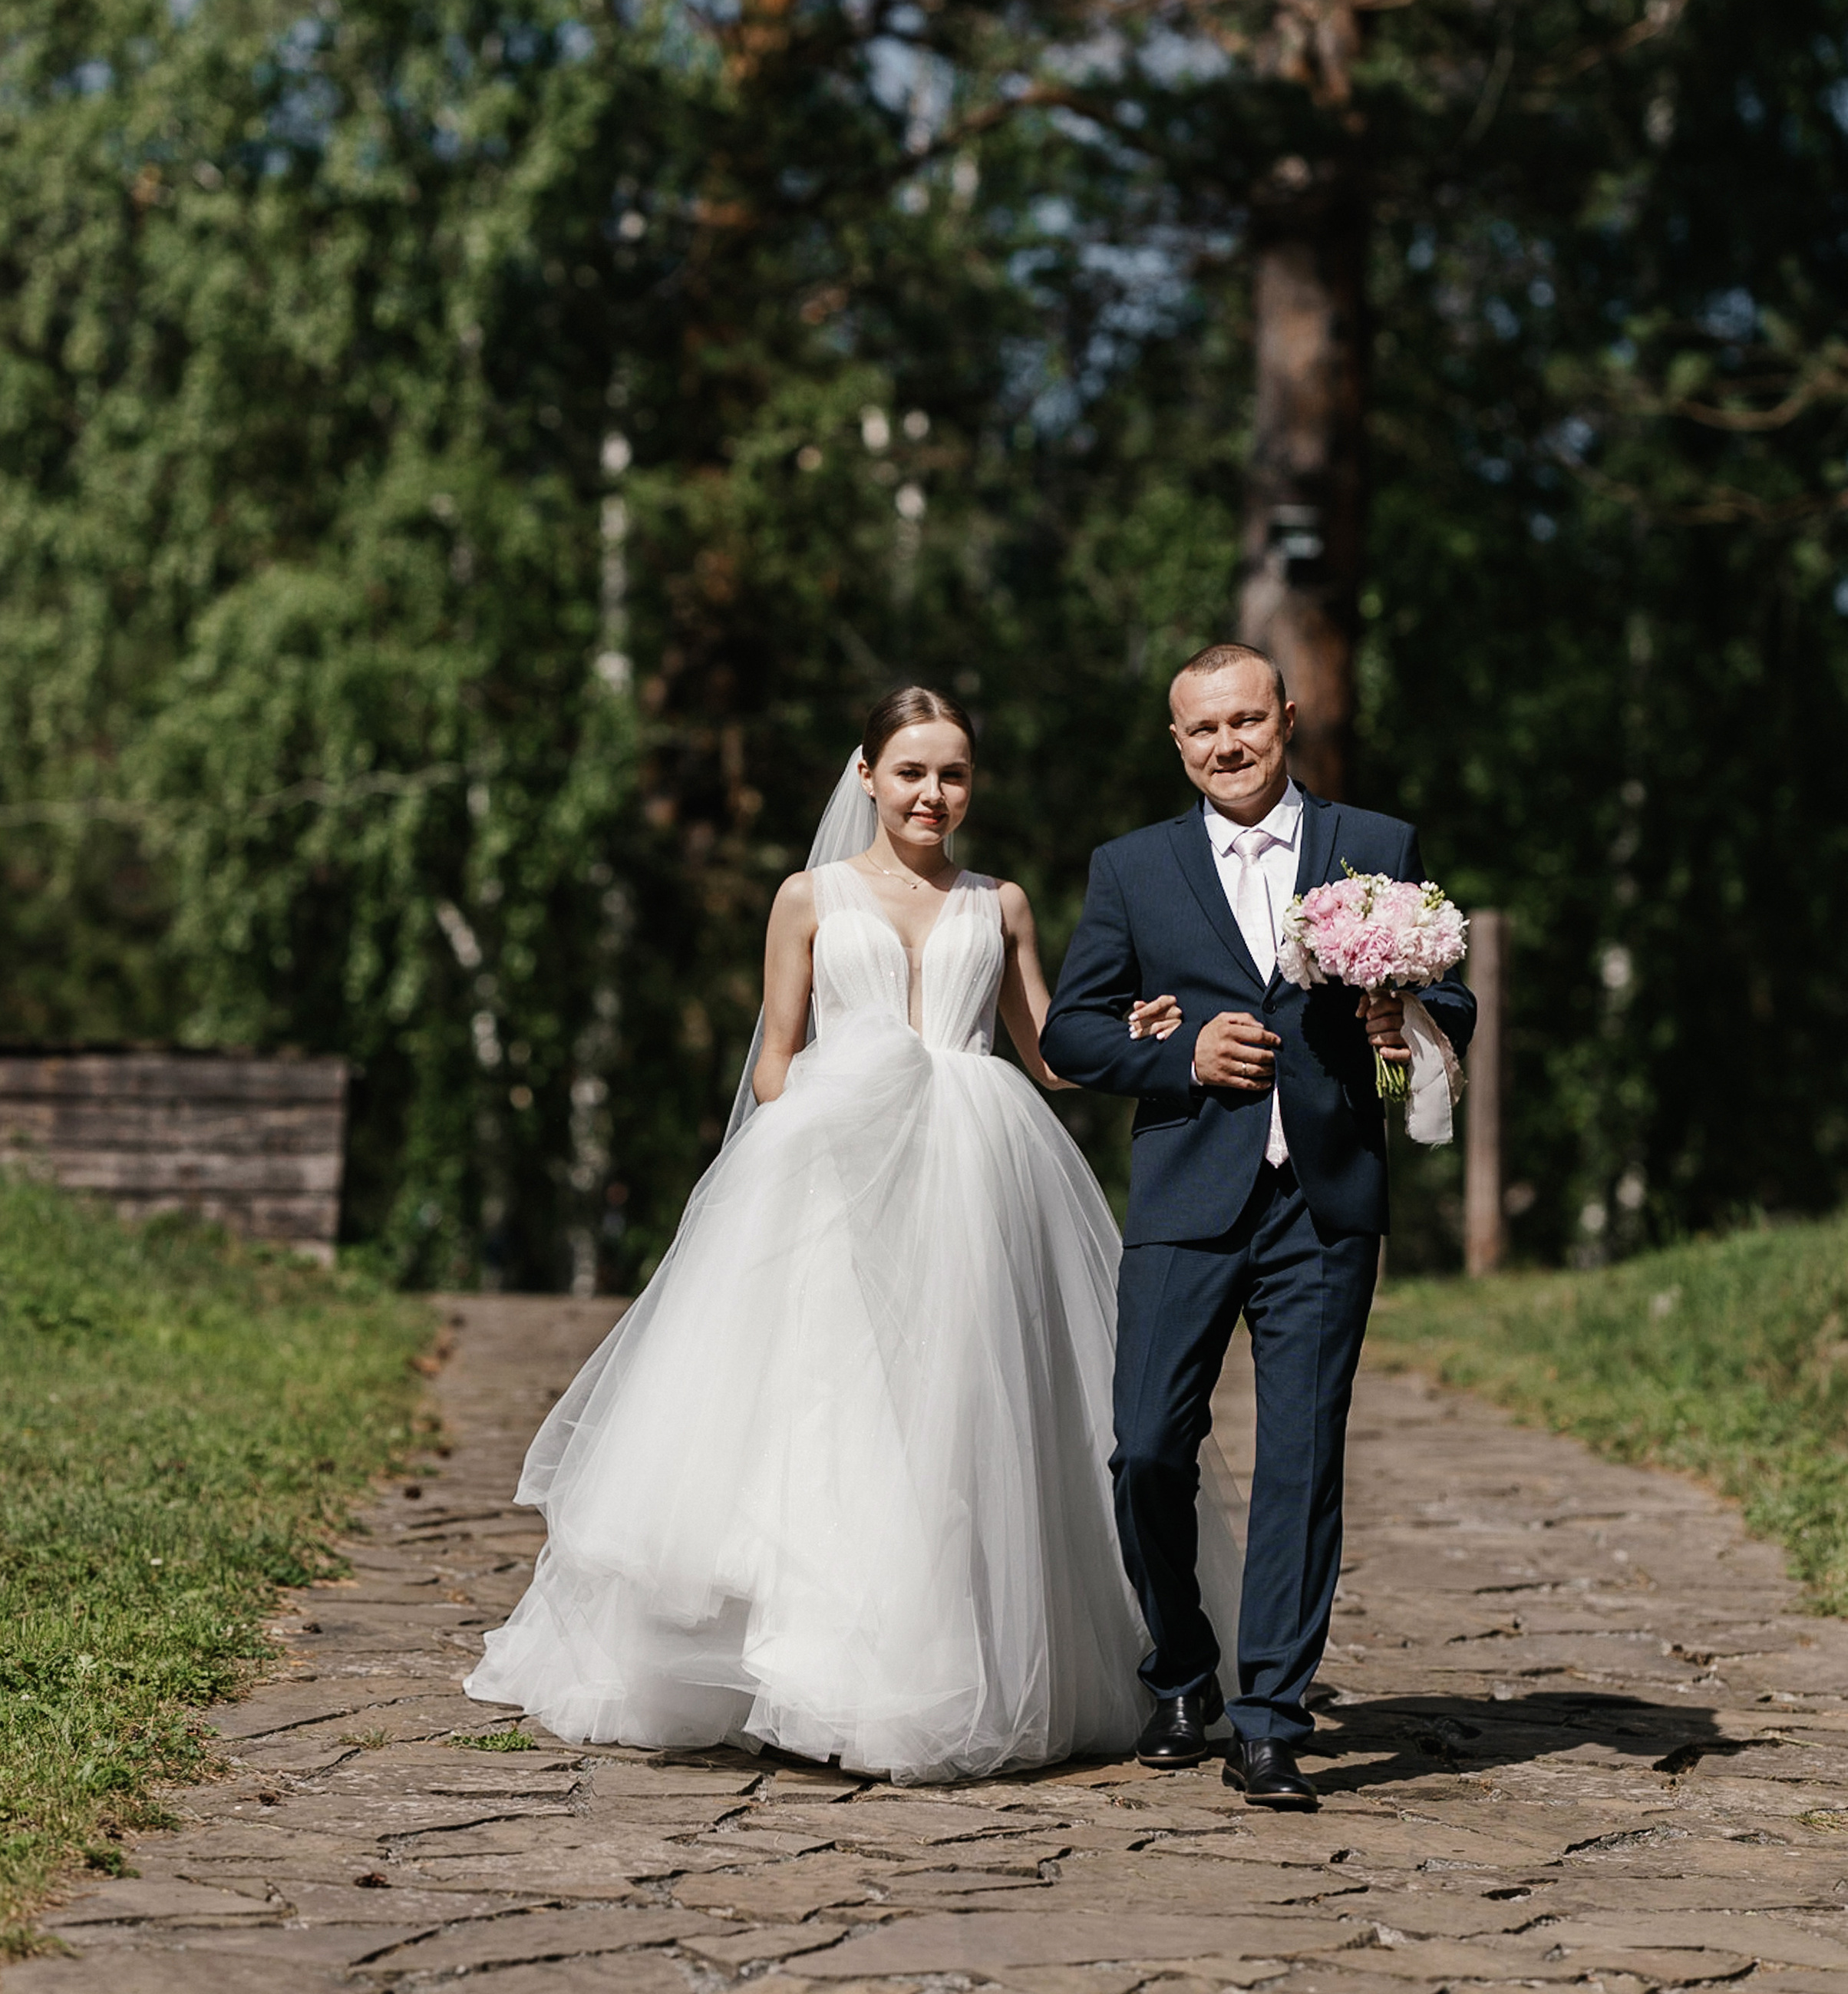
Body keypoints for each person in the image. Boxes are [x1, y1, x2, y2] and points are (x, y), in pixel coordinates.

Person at [467, 683, 1242, 1783]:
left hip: (984, 1175)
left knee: (967, 1410)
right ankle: (819, 1669)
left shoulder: (1002, 901)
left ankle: (967, 1659)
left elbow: (1052, 1052)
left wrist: (1140, 1032)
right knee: (837, 1412)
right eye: (915, 771)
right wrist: (842, 1109)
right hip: (840, 1172)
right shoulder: (809, 898)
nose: (936, 793)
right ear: (867, 774)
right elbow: (776, 1057)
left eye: (956, 773)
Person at [1041, 645, 1476, 1811]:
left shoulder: (1375, 848)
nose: (1228, 745)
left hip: (1328, 1204)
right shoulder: (1131, 869)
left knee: (1300, 1462)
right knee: (1144, 1451)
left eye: (1248, 720)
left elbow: (1448, 1003)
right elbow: (1069, 1034)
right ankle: (1183, 1668)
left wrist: (1407, 1028)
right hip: (1188, 1197)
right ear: (1176, 744)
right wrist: (1176, 1053)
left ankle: (1272, 1720)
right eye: (1203, 730)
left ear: (1289, 718)